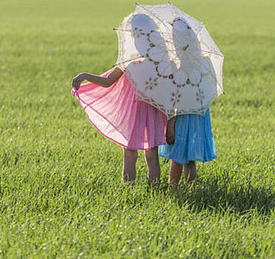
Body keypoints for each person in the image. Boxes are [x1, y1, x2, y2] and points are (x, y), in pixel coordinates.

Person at [71, 14, 167, 184]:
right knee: (152, 154)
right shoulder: (160, 61)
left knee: (131, 153)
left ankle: (129, 188)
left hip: (136, 112)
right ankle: (155, 189)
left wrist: (85, 76)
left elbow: (107, 82)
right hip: (154, 110)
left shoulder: (129, 61)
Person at [159, 17, 217, 185]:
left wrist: (170, 125)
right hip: (198, 115)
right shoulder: (201, 64)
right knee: (190, 159)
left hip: (181, 116)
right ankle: (193, 190)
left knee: (177, 157)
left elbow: (175, 101)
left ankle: (174, 190)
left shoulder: (179, 69)